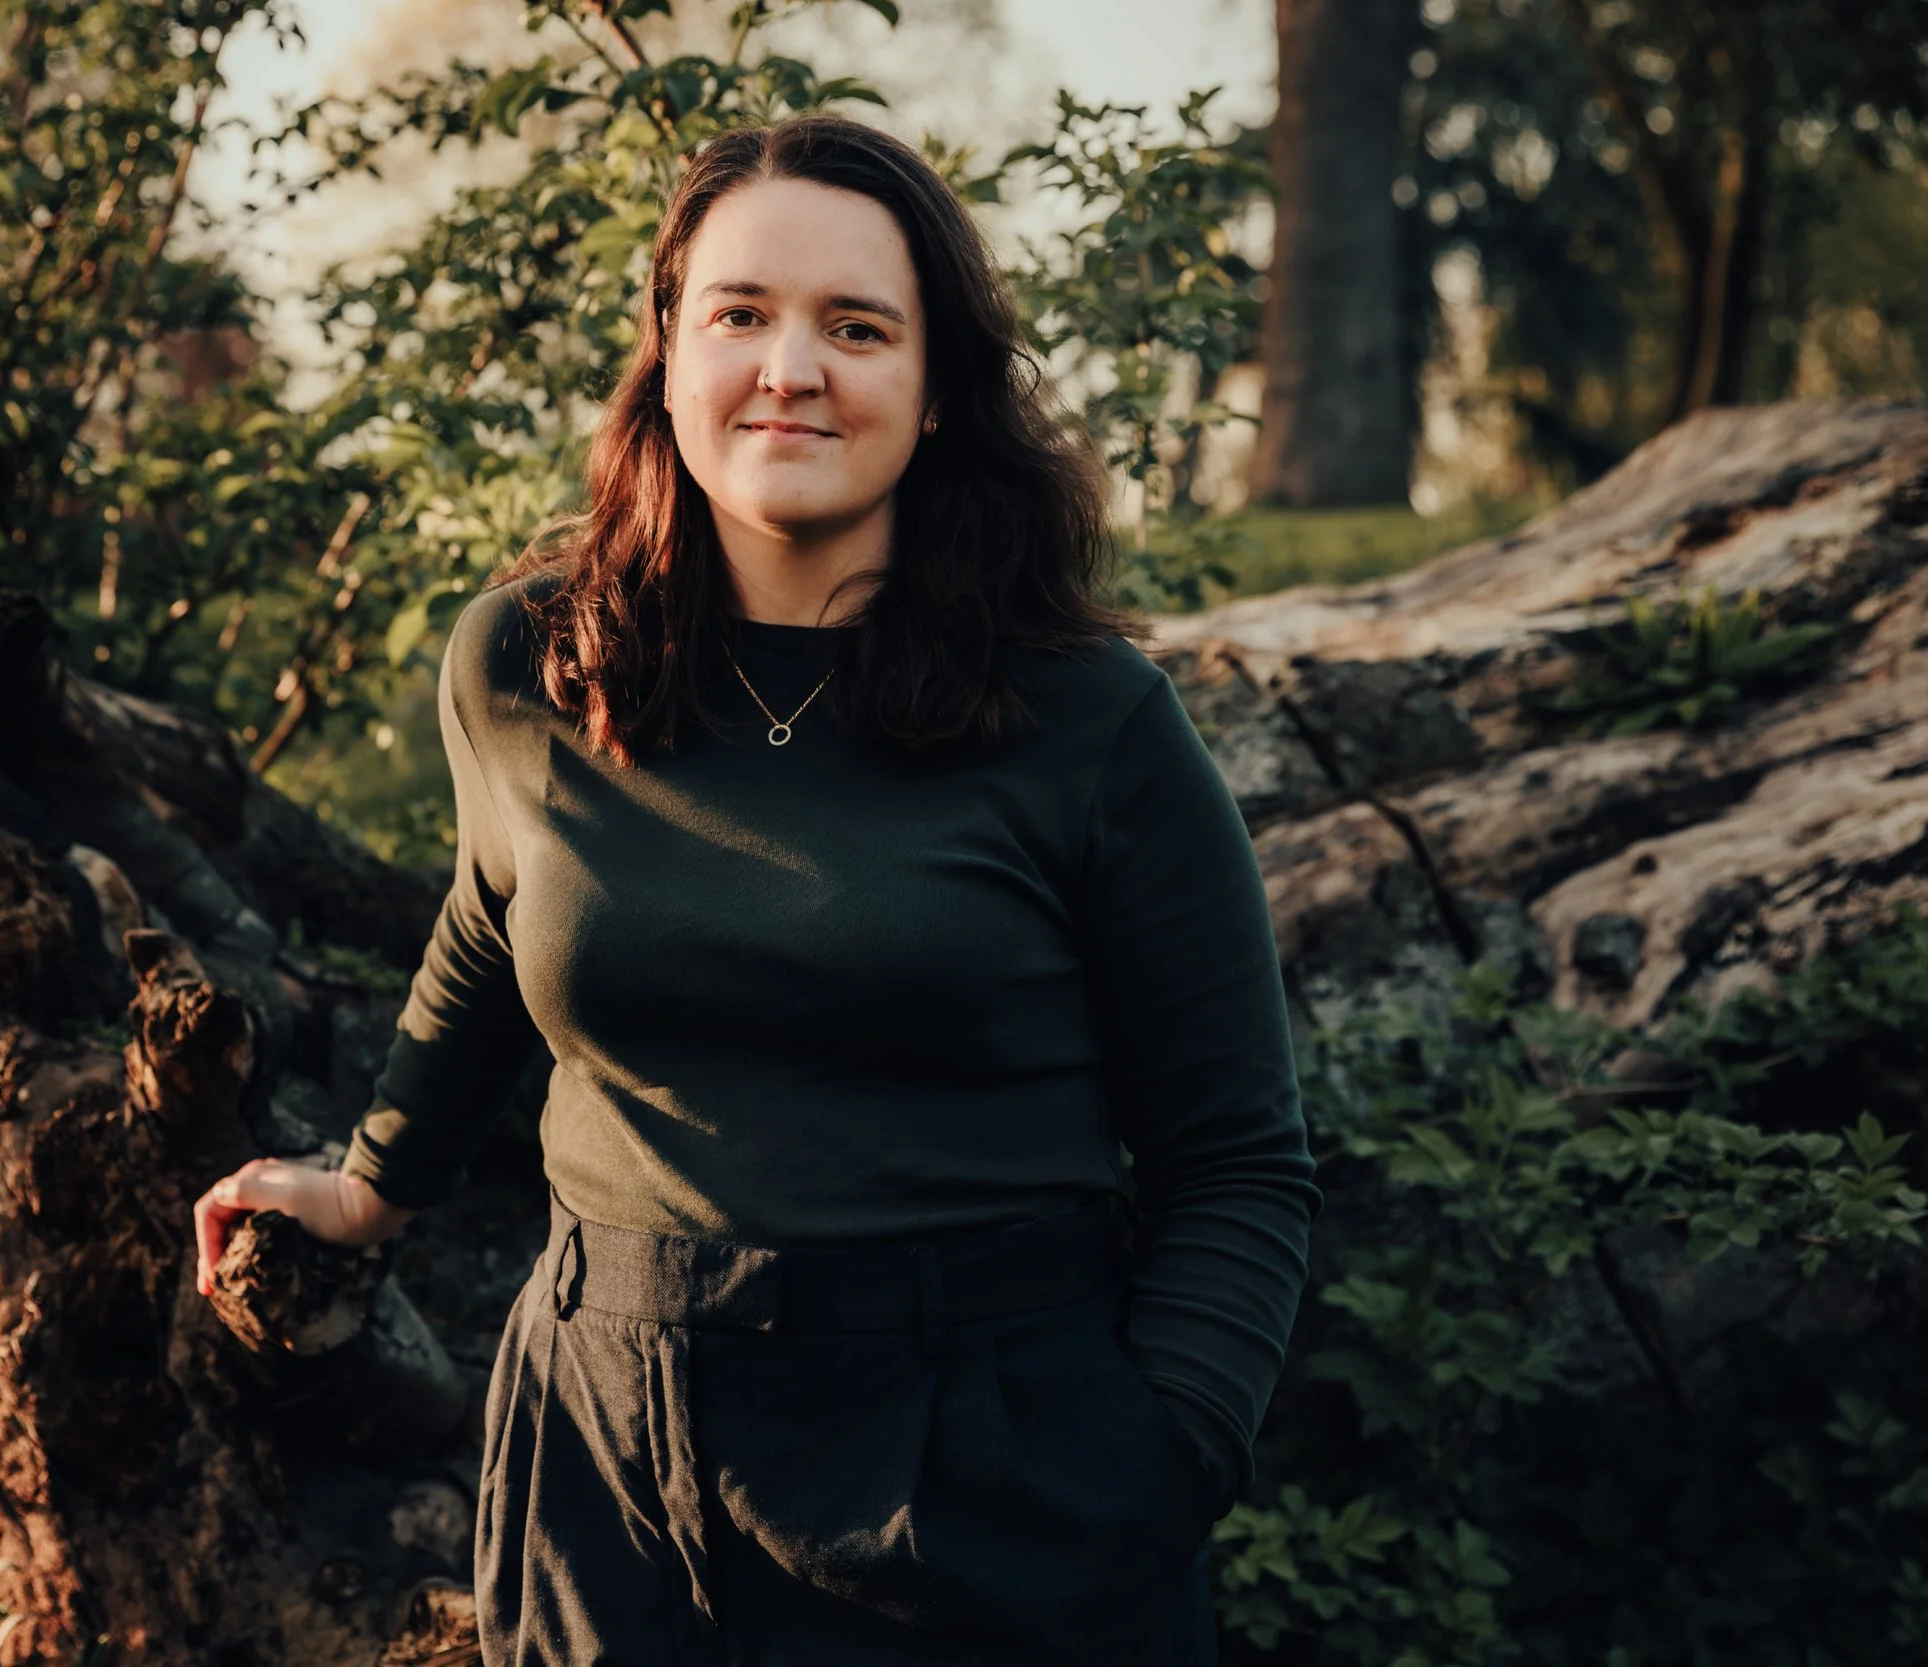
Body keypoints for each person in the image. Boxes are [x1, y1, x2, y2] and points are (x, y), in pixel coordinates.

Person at [195, 113, 1319, 1667]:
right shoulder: (528, 662)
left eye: (857, 327)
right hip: (607, 1451)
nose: (792, 367)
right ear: (667, 348)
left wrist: (1152, 1472)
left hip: (990, 1469)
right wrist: (373, 1180)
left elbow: (1240, 1158)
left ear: (934, 394)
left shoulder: (1090, 722)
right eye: (741, 314)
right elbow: (491, 923)